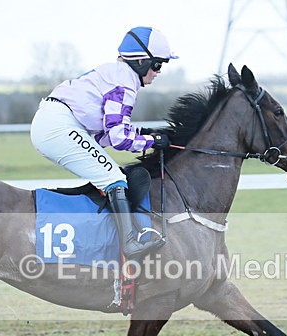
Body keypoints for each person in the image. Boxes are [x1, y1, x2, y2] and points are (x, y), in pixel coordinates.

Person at [30, 26, 177, 261]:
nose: (157, 72)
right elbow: (119, 139)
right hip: (58, 126)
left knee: (109, 173)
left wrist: (143, 134)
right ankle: (129, 244)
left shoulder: (118, 74)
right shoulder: (125, 81)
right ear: (141, 61)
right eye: (157, 65)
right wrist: (150, 140)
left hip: (57, 123)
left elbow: (106, 135)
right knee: (113, 178)